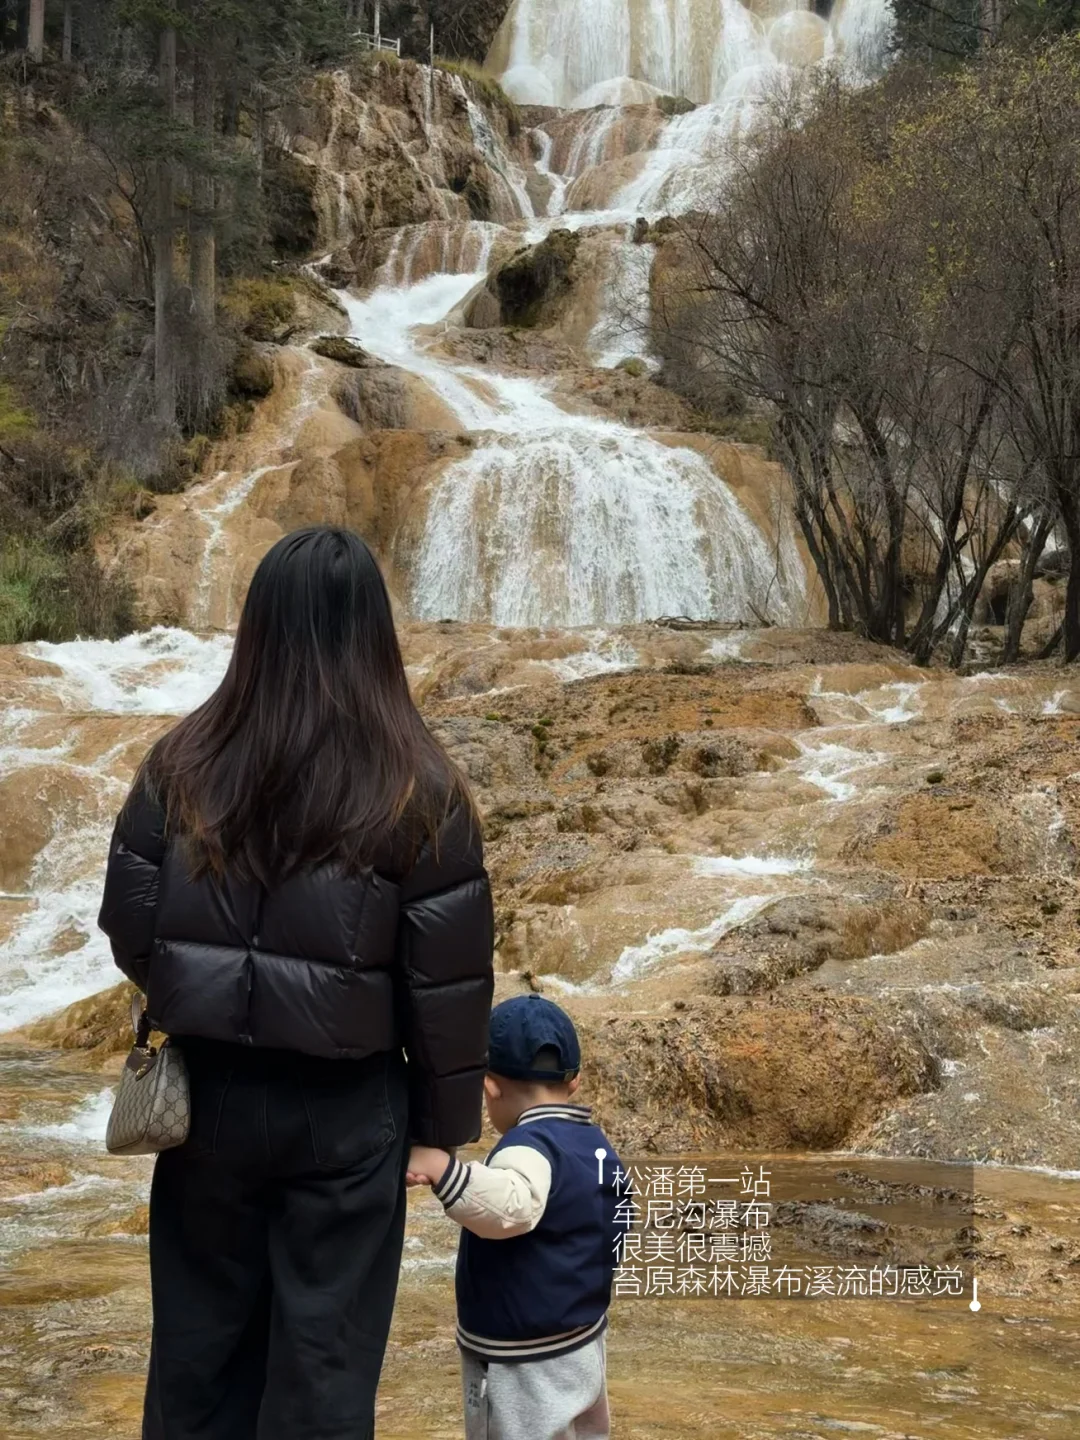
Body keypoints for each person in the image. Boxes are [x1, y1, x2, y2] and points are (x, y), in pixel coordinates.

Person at [97, 526, 494, 1440]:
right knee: (324, 1370)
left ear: (256, 626)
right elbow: (448, 984)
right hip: (349, 1111)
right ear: (374, 634)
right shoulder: (419, 786)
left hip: (210, 1106)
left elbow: (129, 924)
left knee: (198, 1361)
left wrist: (197, 996)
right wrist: (440, 1132)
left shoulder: (181, 763)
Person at [407, 994, 622, 1440]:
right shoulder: (596, 1145)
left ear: (489, 1087)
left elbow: (510, 1207)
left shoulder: (530, 1145)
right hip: (583, 1341)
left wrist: (442, 1170)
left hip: (522, 1360)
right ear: (575, 1082)